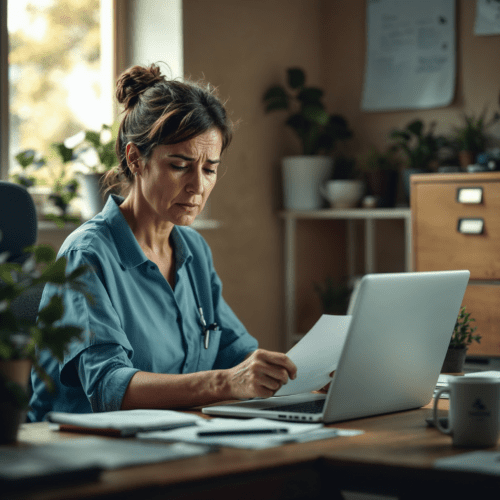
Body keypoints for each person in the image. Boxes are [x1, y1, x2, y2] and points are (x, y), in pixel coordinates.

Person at [28, 64, 297, 422]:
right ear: (135, 158)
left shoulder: (193, 250)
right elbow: (109, 387)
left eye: (209, 169)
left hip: (173, 440)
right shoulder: (87, 254)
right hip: (84, 453)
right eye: (180, 165)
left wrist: (300, 377)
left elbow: (236, 354)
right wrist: (224, 384)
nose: (197, 186)